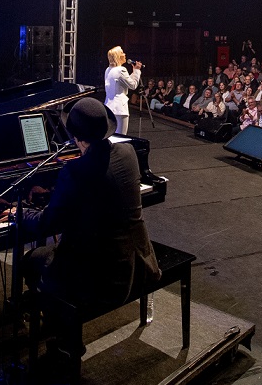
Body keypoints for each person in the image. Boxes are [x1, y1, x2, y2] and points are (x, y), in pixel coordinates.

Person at [13, 97, 161, 355]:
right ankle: (56, 319)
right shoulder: (128, 152)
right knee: (56, 254)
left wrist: (20, 213)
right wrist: (57, 195)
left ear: (78, 139)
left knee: (30, 261)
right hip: (139, 258)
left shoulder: (76, 171)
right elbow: (96, 196)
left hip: (105, 279)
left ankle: (64, 342)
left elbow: (47, 224)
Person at [104, 46, 142, 137]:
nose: (124, 54)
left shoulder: (108, 70)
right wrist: (137, 71)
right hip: (120, 108)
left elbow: (125, 81)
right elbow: (133, 85)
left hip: (109, 106)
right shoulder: (121, 70)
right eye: (122, 53)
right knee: (121, 136)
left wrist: (134, 72)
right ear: (118, 56)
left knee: (110, 135)